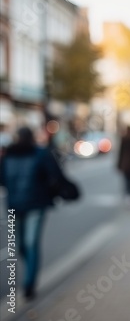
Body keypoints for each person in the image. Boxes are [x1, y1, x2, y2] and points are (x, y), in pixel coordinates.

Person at [0, 126, 64, 300]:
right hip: (29, 205)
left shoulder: (9, 155)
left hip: (21, 205)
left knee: (25, 245)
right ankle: (30, 281)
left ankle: (29, 283)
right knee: (28, 244)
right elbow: (55, 176)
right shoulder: (38, 154)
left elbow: (3, 180)